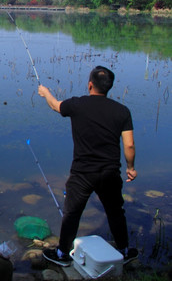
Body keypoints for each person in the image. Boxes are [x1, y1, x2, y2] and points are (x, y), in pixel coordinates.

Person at [38, 66, 138, 267]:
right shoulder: (122, 111)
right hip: (110, 173)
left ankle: (62, 254)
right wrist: (131, 167)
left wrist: (45, 93)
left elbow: (56, 106)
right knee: (116, 212)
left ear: (90, 84)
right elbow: (129, 144)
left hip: (82, 173)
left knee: (72, 213)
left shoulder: (77, 105)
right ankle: (124, 251)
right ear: (109, 87)